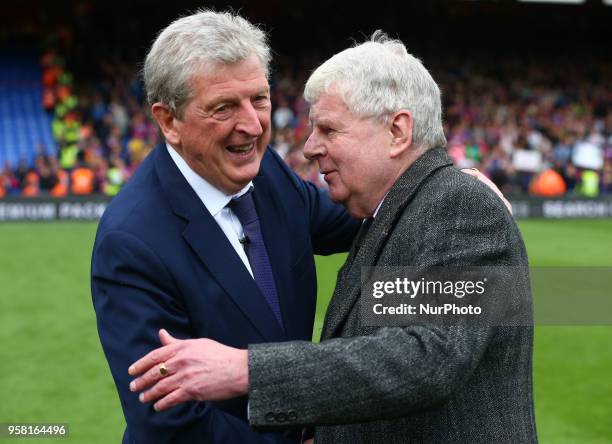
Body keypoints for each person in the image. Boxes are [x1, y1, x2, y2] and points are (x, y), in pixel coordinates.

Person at [129, 32, 536, 443]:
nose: (309, 148)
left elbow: (428, 356)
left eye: (328, 129)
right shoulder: (388, 212)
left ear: (398, 131)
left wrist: (245, 370)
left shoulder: (458, 207)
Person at [90, 10, 359, 444]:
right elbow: (170, 423)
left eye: (259, 99)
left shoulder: (264, 170)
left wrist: (442, 188)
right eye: (223, 108)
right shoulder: (132, 243)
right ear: (169, 121)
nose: (252, 125)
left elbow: (350, 217)